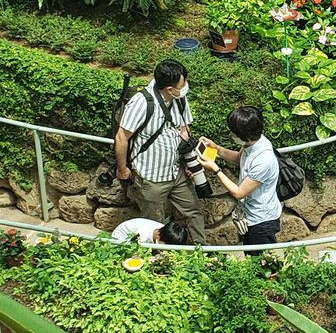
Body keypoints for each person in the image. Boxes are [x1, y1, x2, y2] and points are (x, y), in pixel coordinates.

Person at [112, 59, 201, 245]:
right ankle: (159, 260)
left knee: (193, 212)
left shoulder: (179, 99)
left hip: (176, 172)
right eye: (182, 85)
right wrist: (122, 168)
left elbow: (185, 130)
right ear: (169, 89)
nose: (185, 87)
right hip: (151, 178)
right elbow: (122, 137)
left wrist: (188, 163)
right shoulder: (142, 103)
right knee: (155, 224)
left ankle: (203, 251)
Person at [202, 105, 281, 247]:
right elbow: (240, 159)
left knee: (262, 264)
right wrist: (217, 149)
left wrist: (215, 169)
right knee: (252, 260)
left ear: (244, 135)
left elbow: (239, 193)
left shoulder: (264, 159)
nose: (231, 135)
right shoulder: (252, 143)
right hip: (250, 216)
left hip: (261, 221)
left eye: (233, 132)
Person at [110, 216, 180, 247]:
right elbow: (134, 251)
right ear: (158, 236)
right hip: (120, 240)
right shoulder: (142, 236)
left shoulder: (165, 230)